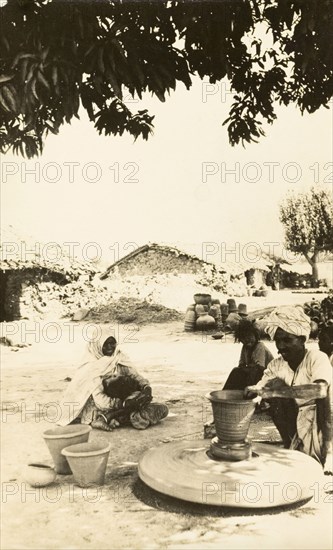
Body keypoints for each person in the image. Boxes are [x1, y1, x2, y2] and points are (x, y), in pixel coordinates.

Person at [245, 306, 332, 474]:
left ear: (302, 339)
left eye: (287, 340)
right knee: (275, 391)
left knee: (324, 398)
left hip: (324, 423)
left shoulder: (316, 358)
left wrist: (271, 392)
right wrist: (253, 395)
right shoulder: (277, 365)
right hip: (296, 421)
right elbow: (260, 389)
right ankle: (292, 444)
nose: (281, 346)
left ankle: (329, 452)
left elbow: (320, 390)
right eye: (278, 340)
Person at [58, 328, 168, 431]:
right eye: (106, 344)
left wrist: (146, 388)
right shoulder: (91, 366)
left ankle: (117, 418)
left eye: (113, 343)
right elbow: (100, 400)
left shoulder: (118, 357)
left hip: (125, 400)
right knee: (137, 408)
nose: (110, 347)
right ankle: (109, 417)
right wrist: (122, 404)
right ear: (98, 345)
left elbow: (135, 376)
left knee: (163, 409)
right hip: (101, 406)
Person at [223, 319, 274, 390]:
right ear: (240, 340)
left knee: (253, 371)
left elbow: (259, 368)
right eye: (244, 338)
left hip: (267, 377)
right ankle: (227, 393)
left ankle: (248, 393)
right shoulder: (245, 348)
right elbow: (241, 365)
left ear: (255, 335)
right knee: (236, 371)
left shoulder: (260, 346)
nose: (247, 340)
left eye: (250, 336)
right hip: (255, 374)